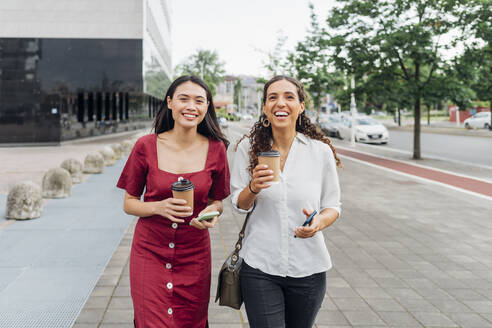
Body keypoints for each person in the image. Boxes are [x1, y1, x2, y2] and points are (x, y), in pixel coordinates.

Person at [117, 75, 230, 328]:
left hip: (195, 255)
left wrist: (211, 213)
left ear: (206, 107)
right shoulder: (145, 146)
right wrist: (158, 207)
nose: (191, 106)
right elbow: (129, 202)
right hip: (150, 252)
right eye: (184, 99)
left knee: (191, 321)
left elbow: (217, 202)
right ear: (169, 102)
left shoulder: (216, 149)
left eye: (199, 101)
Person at [230, 75, 342, 328]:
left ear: (301, 106)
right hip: (260, 266)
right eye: (273, 97)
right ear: (265, 108)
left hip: (309, 268)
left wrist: (318, 223)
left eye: (289, 97)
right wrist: (253, 188)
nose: (280, 103)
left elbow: (333, 206)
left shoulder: (319, 152)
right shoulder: (247, 148)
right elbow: (238, 204)